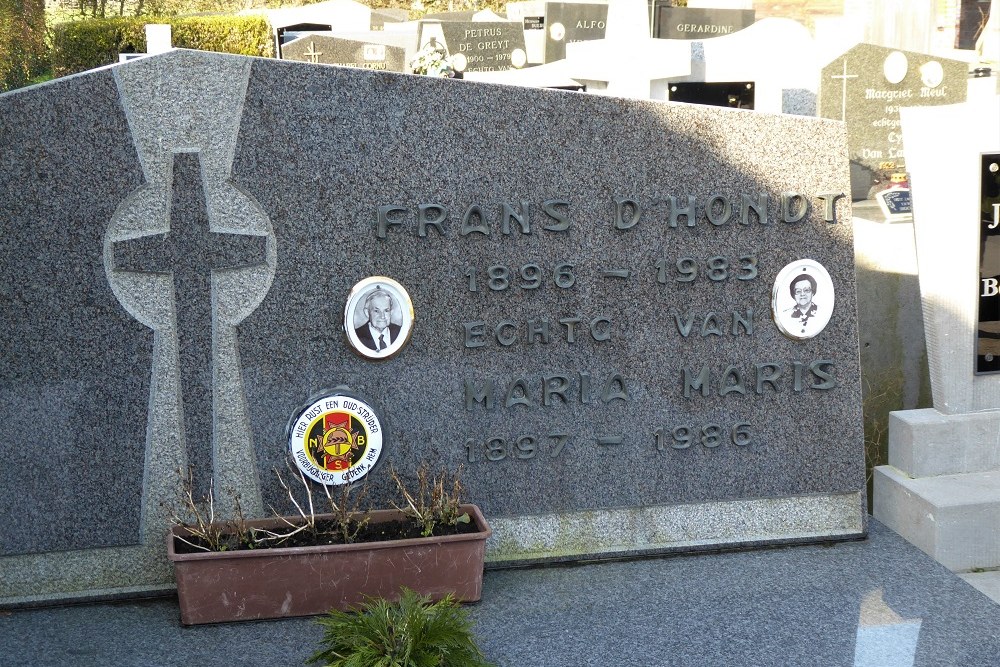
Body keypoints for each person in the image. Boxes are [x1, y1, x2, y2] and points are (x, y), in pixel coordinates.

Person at [354, 287, 401, 352]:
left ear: (391, 312)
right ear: (367, 313)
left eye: (386, 310)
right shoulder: (356, 336)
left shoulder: (400, 332)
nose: (382, 316)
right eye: (376, 311)